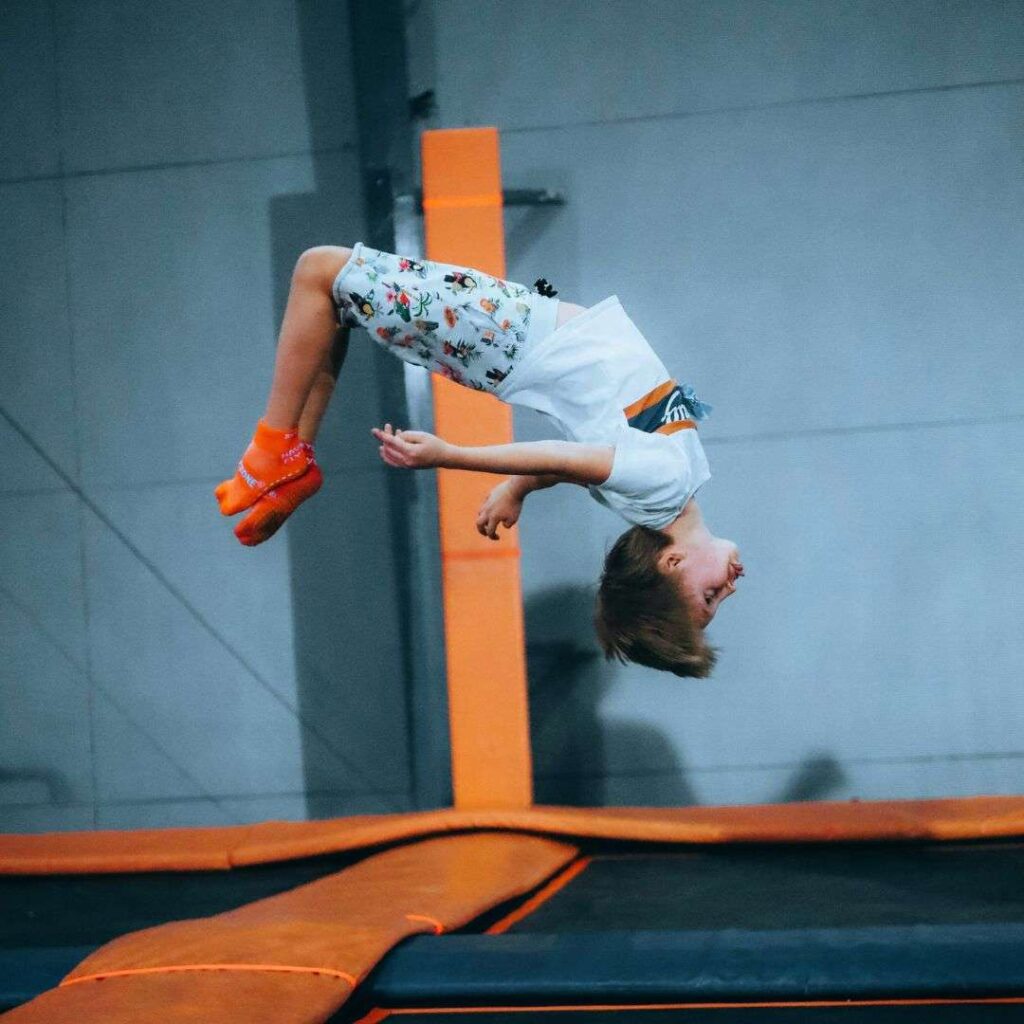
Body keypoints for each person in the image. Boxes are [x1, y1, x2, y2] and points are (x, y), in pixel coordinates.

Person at [216, 243, 743, 676]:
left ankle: (274, 445)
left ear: (671, 563)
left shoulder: (664, 485)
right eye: (716, 598)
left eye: (711, 596)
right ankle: (295, 458)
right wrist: (517, 489)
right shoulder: (664, 496)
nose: (730, 588)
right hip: (514, 341)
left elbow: (563, 457)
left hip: (510, 337)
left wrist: (452, 454)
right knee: (338, 303)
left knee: (319, 270)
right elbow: (574, 461)